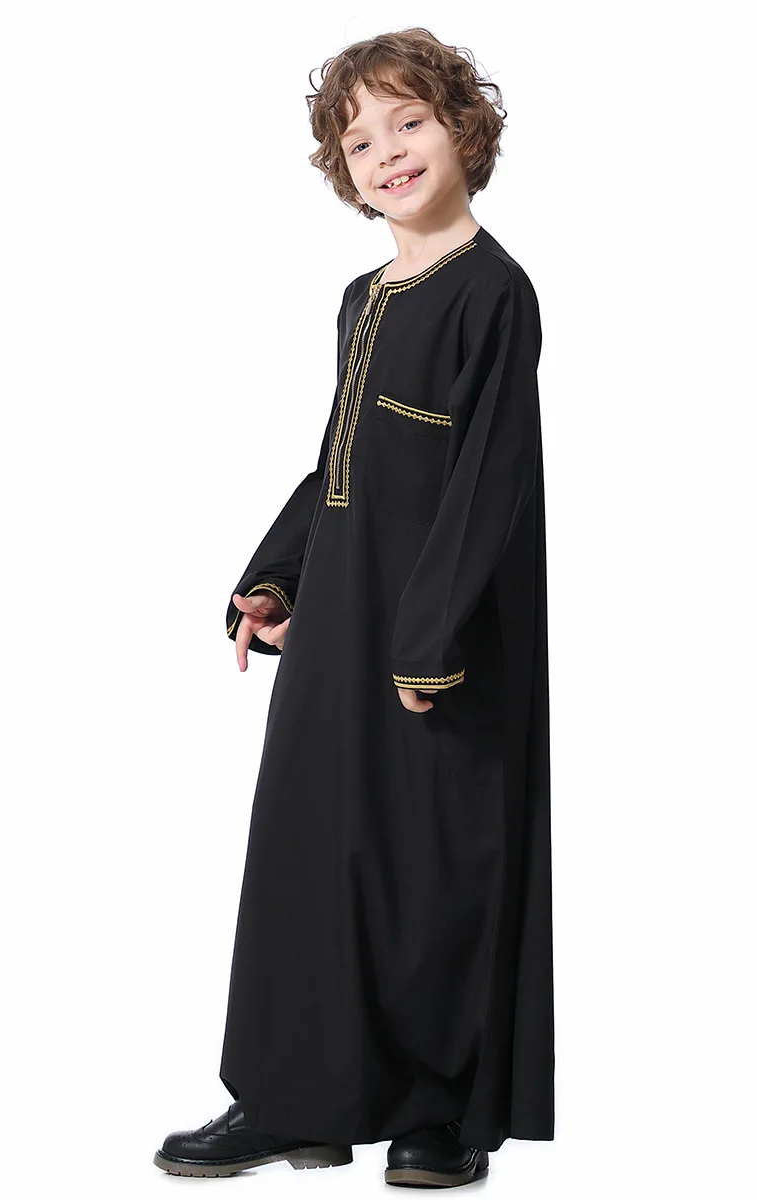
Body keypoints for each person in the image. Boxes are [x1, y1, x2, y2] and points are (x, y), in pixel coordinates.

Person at [154, 27, 553, 1188]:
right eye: (361, 139)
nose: (387, 152)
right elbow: (340, 459)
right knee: (310, 852)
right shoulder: (360, 298)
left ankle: (440, 1112)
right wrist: (279, 578)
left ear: (463, 129)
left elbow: (487, 483)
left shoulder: (493, 293)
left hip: (442, 642)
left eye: (408, 122)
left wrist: (429, 642)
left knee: (433, 868)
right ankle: (298, 1100)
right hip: (343, 624)